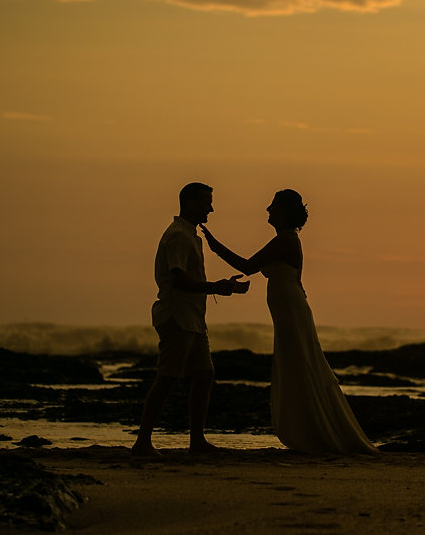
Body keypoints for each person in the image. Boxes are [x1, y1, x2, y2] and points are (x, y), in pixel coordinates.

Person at [201, 189, 377, 454]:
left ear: (283, 211)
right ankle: (308, 429)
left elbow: (248, 266)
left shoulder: (285, 239)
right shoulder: (285, 239)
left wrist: (215, 246)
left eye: (273, 205)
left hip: (292, 312)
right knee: (297, 365)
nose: (268, 209)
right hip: (288, 311)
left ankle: (316, 432)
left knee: (302, 365)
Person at [131, 182, 248, 459]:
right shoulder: (179, 236)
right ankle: (142, 442)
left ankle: (197, 440)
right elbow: (179, 279)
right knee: (167, 377)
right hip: (177, 316)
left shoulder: (190, 235)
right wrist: (215, 287)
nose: (211, 208)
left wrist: (219, 287)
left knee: (204, 375)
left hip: (192, 318)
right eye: (207, 202)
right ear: (191, 203)